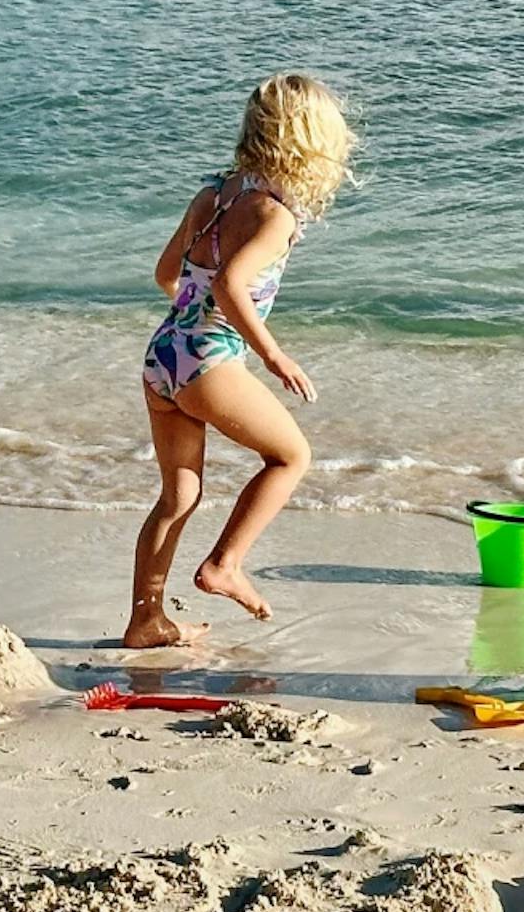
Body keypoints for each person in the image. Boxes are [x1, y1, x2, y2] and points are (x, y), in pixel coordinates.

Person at [128, 74, 357, 647]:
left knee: (178, 496)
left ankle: (145, 620)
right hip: (209, 356)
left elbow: (166, 275)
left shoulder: (215, 192)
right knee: (291, 456)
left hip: (164, 353)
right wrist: (273, 355)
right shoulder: (275, 215)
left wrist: (192, 323)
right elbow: (232, 284)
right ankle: (224, 565)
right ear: (312, 140)